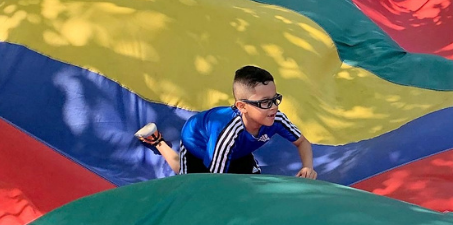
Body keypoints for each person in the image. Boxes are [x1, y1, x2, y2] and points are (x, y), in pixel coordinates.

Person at [135, 66, 317, 179]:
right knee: (192, 182)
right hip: (197, 141)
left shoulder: (276, 118)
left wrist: (308, 166)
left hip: (231, 147)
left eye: (275, 99)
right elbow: (215, 182)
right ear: (242, 106)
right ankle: (158, 141)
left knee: (251, 183)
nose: (273, 107)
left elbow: (302, 142)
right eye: (264, 102)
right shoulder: (229, 134)